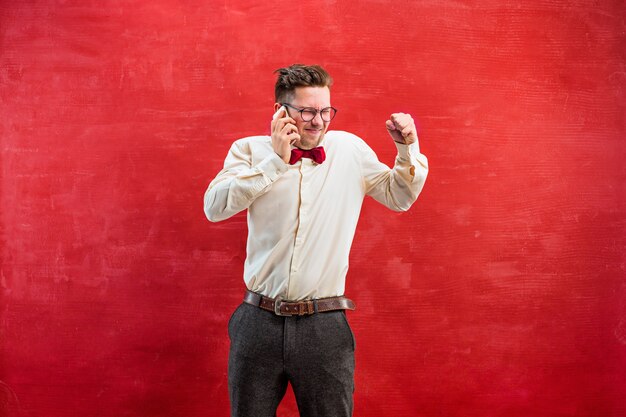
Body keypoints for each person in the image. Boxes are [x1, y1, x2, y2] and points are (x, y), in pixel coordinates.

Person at [203, 64, 428, 417]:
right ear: (281, 112)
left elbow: (398, 195)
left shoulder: (351, 150)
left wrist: (407, 148)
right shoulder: (247, 150)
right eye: (307, 111)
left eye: (326, 111)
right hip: (257, 322)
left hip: (324, 326)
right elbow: (214, 208)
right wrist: (275, 162)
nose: (319, 121)